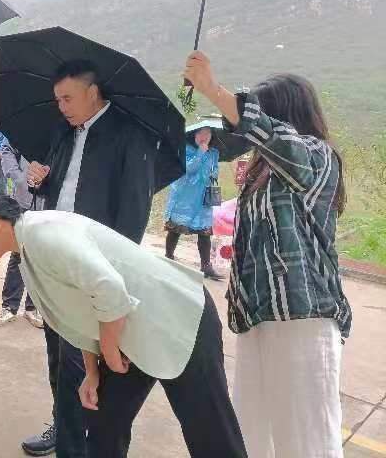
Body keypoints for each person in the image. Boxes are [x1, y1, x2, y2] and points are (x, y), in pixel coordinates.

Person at [0, 189, 247, 458]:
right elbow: (80, 313)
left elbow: (110, 290)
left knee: (210, 432)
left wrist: (108, 353)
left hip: (176, 316)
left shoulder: (44, 234)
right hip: (126, 330)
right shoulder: (26, 249)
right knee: (104, 424)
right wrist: (92, 371)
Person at [184, 51, 352, 458]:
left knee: (307, 442)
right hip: (257, 316)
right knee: (251, 434)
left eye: (264, 112)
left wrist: (212, 89)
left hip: (301, 317)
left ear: (283, 115)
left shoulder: (316, 156)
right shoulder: (266, 171)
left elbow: (273, 137)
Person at [23, 59, 157, 457]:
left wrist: (112, 271)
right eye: (57, 100)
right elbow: (60, 188)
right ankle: (62, 425)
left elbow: (134, 212)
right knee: (57, 356)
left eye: (67, 98)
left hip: (94, 269)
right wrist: (40, 179)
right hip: (56, 260)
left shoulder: (129, 136)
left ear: (92, 92)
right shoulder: (65, 133)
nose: (61, 107)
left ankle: (77, 444)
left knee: (81, 366)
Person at [0, 143, 44, 329]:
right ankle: (9, 306)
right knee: (18, 253)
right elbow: (7, 150)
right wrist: (19, 178)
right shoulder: (27, 131)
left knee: (40, 259)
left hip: (48, 204)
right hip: (23, 200)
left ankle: (33, 308)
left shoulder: (61, 134)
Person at [163, 126, 223, 280]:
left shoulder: (214, 152)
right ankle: (168, 257)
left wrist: (214, 173)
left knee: (205, 232)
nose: (204, 136)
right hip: (185, 196)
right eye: (201, 133)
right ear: (194, 135)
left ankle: (206, 266)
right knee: (176, 228)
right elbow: (189, 169)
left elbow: (215, 169)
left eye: (208, 133)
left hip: (204, 197)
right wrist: (200, 152)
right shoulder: (186, 149)